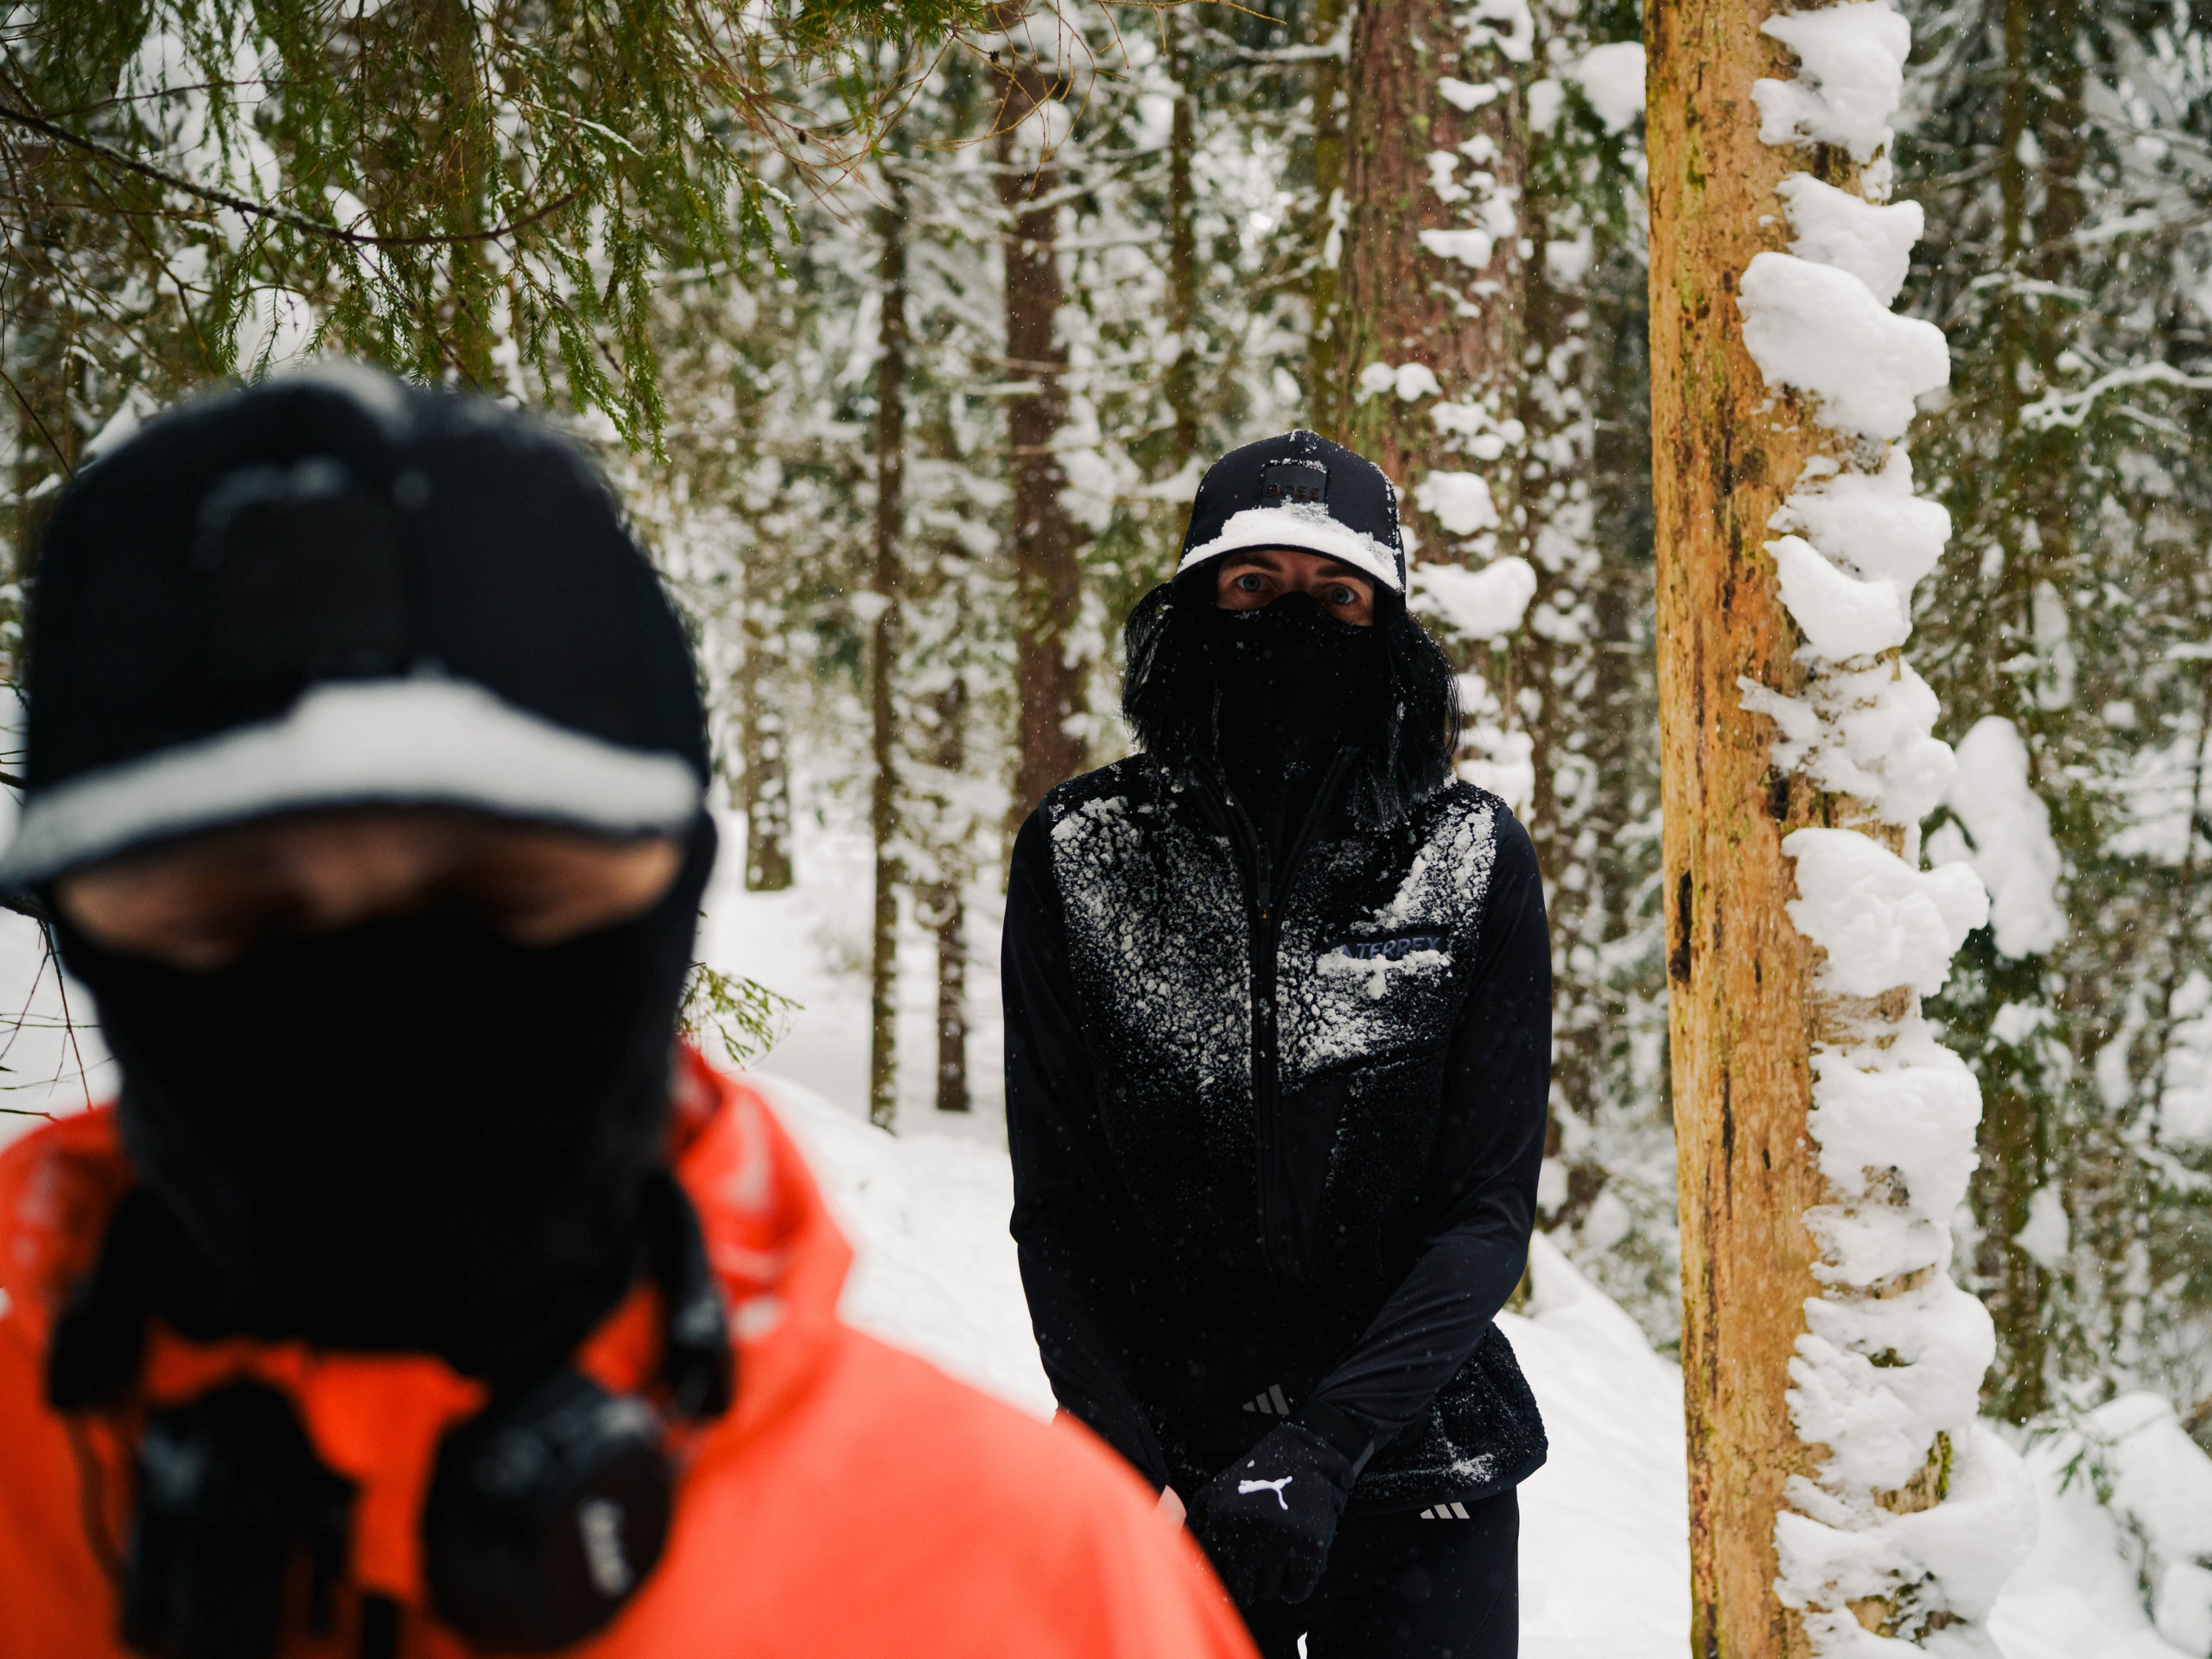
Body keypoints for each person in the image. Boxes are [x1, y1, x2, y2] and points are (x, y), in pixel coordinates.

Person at [0, 369, 1258, 1659]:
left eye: (506, 895)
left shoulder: (1037, 1593)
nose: (378, 1019)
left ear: (673, 898)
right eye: (224, 915)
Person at [1002, 431, 1551, 1658]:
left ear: (1388, 626)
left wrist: (1329, 1442)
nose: (1291, 620)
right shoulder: (1082, 855)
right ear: (1195, 606)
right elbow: (1062, 1206)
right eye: (1253, 586)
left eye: (1335, 595)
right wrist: (1121, 1457)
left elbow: (1485, 1213)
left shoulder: (1468, 861)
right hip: (1169, 1476)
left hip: (1420, 1469)